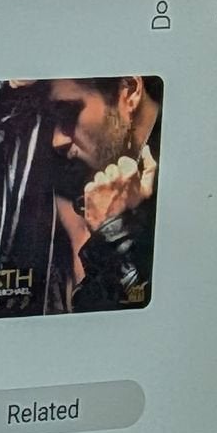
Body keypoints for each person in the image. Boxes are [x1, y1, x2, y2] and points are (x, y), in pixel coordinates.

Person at [44, 75, 161, 313]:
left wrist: (115, 234)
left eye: (68, 113)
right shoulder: (98, 183)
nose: (57, 141)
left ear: (130, 92)